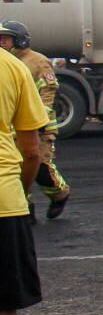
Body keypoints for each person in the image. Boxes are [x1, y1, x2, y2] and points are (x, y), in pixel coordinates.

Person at [0, 43, 49, 315]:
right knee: (3, 313)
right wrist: (22, 190)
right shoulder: (11, 68)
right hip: (3, 202)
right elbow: (31, 148)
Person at [0, 22, 69, 218]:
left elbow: (48, 92)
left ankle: (60, 194)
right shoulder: (6, 62)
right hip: (13, 129)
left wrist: (37, 120)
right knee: (16, 168)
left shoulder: (37, 62)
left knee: (40, 168)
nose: (1, 42)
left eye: (6, 38)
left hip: (39, 128)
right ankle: (25, 206)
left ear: (20, 39)